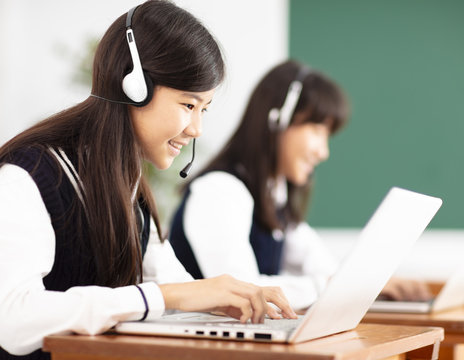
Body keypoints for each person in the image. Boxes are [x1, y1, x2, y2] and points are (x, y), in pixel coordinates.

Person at [0, 2, 296, 358]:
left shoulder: (129, 186)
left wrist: (228, 299)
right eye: (188, 105)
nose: (196, 129)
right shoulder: (28, 175)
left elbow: (170, 285)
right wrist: (169, 297)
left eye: (204, 109)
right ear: (133, 86)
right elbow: (11, 321)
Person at [168, 60, 432, 310]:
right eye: (318, 130)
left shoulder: (274, 197)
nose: (323, 152)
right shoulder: (220, 190)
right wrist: (327, 287)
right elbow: (243, 291)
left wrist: (374, 284)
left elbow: (321, 265)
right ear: (276, 122)